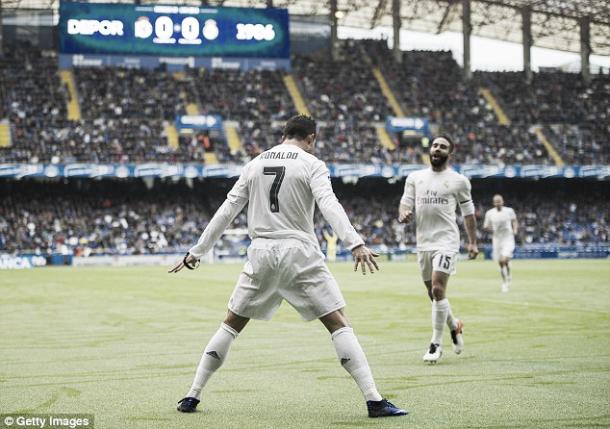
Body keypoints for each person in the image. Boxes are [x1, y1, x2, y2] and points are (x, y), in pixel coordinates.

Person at [169, 115, 407, 418]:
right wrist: (355, 242)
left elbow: (227, 210)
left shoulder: (254, 164)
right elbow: (329, 204)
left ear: (284, 134)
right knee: (337, 323)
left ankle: (192, 395)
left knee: (230, 323)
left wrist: (197, 251)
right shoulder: (311, 163)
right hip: (299, 252)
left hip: (261, 252)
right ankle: (374, 400)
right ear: (311, 138)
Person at [398, 135, 479, 364]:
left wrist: (472, 242)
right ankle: (455, 326)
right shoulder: (415, 177)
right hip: (423, 242)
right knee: (433, 295)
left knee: (437, 288)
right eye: (435, 145)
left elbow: (468, 214)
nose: (437, 149)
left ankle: (435, 344)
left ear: (449, 153)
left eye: (443, 147)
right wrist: (403, 213)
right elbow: (405, 202)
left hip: (446, 242)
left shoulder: (459, 181)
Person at [483, 194, 518, 292]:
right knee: (501, 263)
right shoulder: (490, 213)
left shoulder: (509, 211)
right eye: (496, 201)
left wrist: (515, 230)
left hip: (508, 238)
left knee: (503, 260)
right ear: (494, 203)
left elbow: (514, 220)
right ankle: (508, 274)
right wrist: (491, 229)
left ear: (503, 202)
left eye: (499, 201)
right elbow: (485, 226)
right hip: (497, 240)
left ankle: (505, 283)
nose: (498, 203)